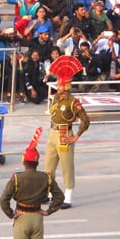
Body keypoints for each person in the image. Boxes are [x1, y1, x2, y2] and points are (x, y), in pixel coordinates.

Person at [0, 128, 64, 239]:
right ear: (37, 162)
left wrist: (10, 214)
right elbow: (60, 197)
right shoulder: (46, 178)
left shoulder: (17, 178)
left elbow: (3, 199)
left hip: (21, 216)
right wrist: (49, 211)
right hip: (37, 216)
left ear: (23, 161)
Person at [46, 56, 90, 209]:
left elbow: (85, 120)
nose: (58, 87)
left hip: (65, 134)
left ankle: (69, 195)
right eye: (58, 84)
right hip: (52, 132)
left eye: (61, 84)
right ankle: (49, 192)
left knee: (67, 166)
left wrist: (76, 136)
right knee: (48, 166)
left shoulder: (73, 101)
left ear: (67, 85)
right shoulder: (55, 98)